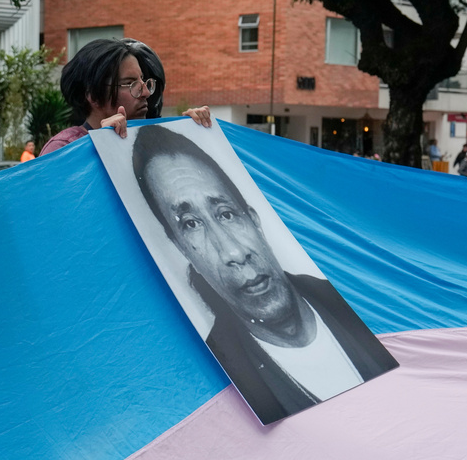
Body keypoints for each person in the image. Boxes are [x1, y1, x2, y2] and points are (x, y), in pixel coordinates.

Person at [131, 124, 397, 425]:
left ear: (255, 219)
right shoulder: (210, 375)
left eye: (226, 214)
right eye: (191, 224)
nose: (233, 253)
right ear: (181, 249)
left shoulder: (347, 297)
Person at [39, 39, 211, 156]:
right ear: (93, 96)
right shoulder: (64, 149)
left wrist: (196, 134)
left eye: (143, 81)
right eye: (130, 84)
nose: (145, 92)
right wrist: (104, 144)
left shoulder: (150, 144)